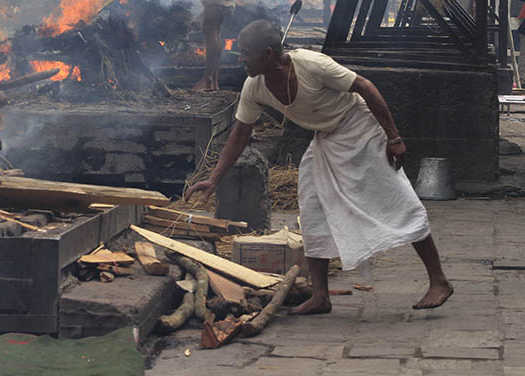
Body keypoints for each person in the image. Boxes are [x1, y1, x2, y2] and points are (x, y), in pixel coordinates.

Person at [185, 20, 454, 314]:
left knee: (396, 199)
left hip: (359, 127)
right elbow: (240, 132)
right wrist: (214, 178)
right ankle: (320, 295)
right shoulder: (254, 86)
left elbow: (364, 86)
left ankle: (439, 280)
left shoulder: (312, 64)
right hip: (326, 138)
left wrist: (394, 137)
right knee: (312, 205)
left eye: (246, 53)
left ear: (268, 54)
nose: (240, 59)